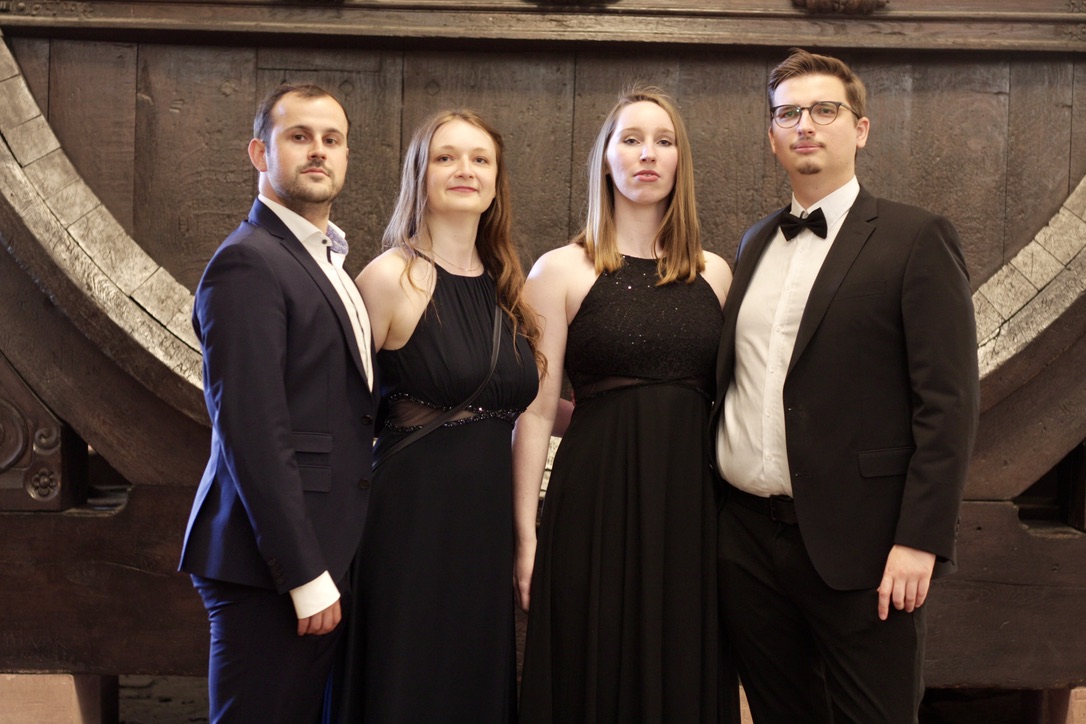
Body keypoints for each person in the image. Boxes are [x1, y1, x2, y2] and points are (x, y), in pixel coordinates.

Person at [711, 49, 980, 723]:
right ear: (772, 136)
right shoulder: (754, 242)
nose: (805, 125)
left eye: (824, 110)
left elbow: (948, 405)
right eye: (788, 114)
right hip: (745, 542)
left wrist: (920, 540)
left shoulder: (917, 238)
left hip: (866, 546)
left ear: (860, 129)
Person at [515, 87, 738, 723]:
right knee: (593, 661)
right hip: (594, 503)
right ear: (605, 158)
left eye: (664, 142)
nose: (648, 154)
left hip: (692, 508)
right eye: (632, 140)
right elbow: (534, 411)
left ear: (680, 161)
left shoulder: (715, 273)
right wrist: (526, 537)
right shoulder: (560, 270)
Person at [178, 83, 378, 723]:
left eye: (331, 139)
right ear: (260, 153)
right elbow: (252, 432)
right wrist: (304, 573)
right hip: (271, 566)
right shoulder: (247, 262)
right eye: (299, 136)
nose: (318, 151)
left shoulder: (326, 261)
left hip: (321, 551)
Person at [334, 109, 541, 723]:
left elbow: (521, 404)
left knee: (466, 682)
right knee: (408, 679)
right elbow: (340, 415)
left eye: (480, 159)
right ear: (419, 174)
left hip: (483, 524)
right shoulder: (390, 277)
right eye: (446, 157)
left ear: (496, 181)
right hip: (409, 522)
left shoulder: (508, 287)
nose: (464, 170)